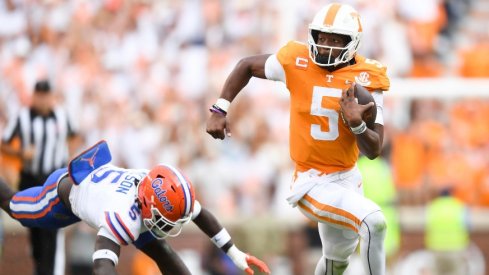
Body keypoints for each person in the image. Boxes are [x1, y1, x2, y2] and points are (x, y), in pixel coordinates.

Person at [206, 3, 390, 275]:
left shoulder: (368, 77)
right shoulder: (297, 59)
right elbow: (246, 65)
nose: (325, 45)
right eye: (322, 37)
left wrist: (357, 125)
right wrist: (219, 108)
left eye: (335, 40)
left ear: (352, 43)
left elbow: (375, 149)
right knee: (375, 222)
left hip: (348, 178)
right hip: (311, 180)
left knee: (336, 262)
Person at [0, 140, 270, 275]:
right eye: (167, 218)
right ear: (149, 205)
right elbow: (104, 265)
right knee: (15, 207)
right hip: (64, 196)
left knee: (162, 250)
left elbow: (199, 215)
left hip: (114, 197)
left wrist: (234, 253)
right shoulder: (122, 216)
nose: (173, 224)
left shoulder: (154, 189)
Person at [1, 79, 80, 275]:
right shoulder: (22, 116)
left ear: (51, 97)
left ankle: (49, 271)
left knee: (51, 232)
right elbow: (4, 143)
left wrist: (69, 154)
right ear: (34, 96)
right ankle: (41, 268)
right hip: (31, 178)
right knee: (35, 229)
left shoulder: (63, 115)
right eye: (39, 96)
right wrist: (21, 153)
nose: (43, 100)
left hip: (54, 179)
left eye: (46, 96)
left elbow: (75, 135)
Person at [425, 188, 470, 275]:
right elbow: (468, 225)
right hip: (456, 248)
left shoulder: (432, 207)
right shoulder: (459, 206)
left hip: (436, 248)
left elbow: (426, 225)